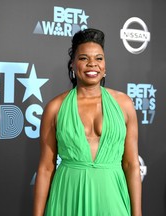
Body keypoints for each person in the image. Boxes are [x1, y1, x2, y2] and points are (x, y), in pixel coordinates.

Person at [33, 28, 142, 216]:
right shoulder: (55, 108)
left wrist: (137, 212)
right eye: (84, 58)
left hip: (111, 195)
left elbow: (131, 164)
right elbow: (46, 167)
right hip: (68, 195)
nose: (93, 64)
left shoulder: (124, 104)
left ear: (105, 66)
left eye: (99, 58)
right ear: (73, 65)